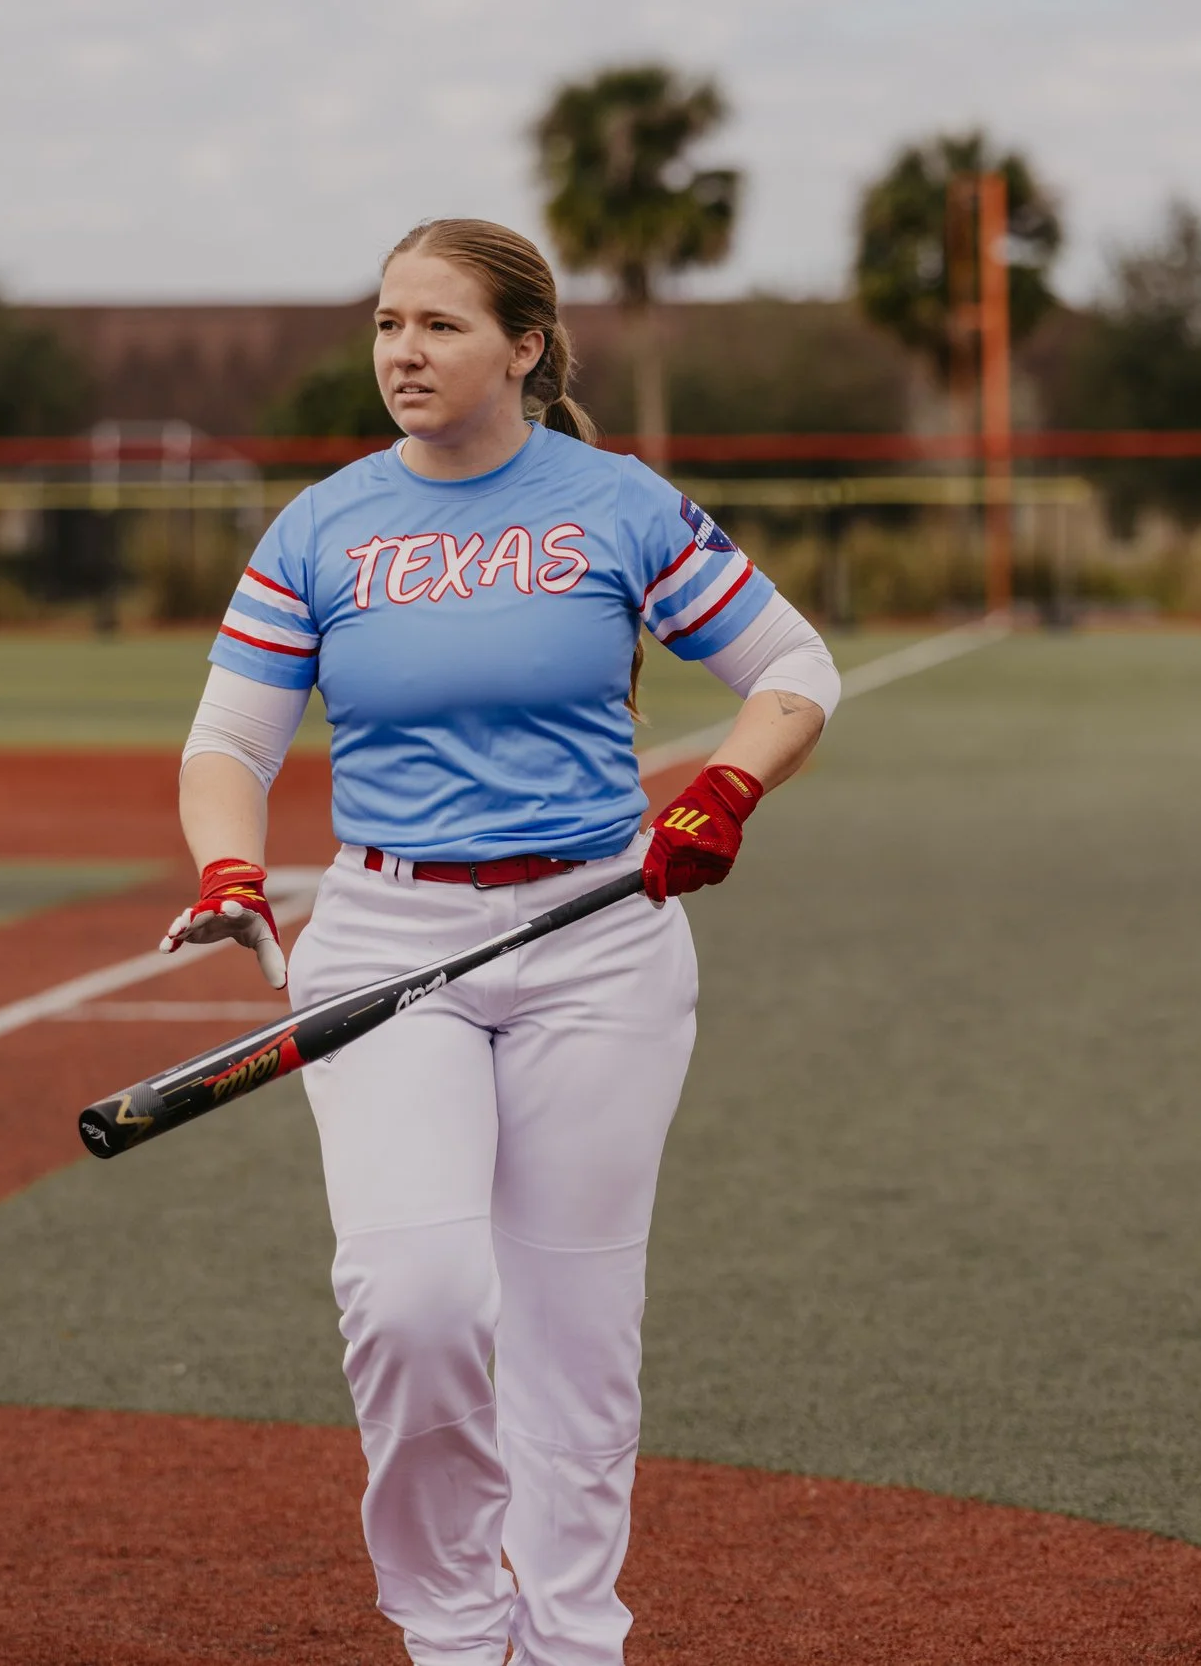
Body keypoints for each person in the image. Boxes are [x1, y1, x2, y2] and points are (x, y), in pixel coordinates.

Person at [163, 218, 839, 1665]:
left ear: (524, 347)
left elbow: (794, 667)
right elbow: (230, 736)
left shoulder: (619, 502)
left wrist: (725, 784)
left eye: (439, 325)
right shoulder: (323, 524)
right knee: (412, 1300)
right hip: (389, 933)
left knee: (576, 1337)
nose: (401, 351)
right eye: (387, 322)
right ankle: (459, 1630)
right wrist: (230, 867)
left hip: (599, 940)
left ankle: (570, 1643)